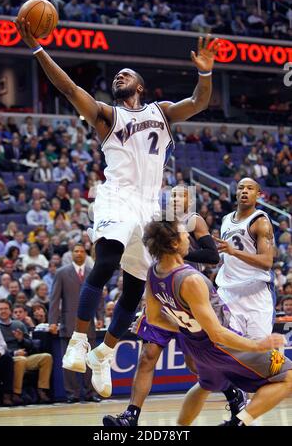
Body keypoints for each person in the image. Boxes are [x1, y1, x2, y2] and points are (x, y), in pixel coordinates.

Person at [16, 17, 220, 398]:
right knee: (106, 261)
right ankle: (79, 340)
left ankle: (104, 353)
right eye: (115, 77)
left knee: (134, 289)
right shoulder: (108, 115)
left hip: (148, 206)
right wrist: (37, 49)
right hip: (116, 196)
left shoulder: (160, 111)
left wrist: (205, 73)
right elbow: (68, 87)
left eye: (125, 75)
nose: (118, 78)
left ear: (140, 86)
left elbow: (199, 102)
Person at [103, 185, 245, 426]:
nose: (177, 198)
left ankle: (233, 393)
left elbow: (212, 256)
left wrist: (175, 253)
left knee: (194, 363)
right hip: (161, 293)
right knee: (147, 357)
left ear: (190, 201)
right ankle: (131, 416)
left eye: (183, 195)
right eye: (174, 195)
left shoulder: (194, 221)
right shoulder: (158, 222)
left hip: (187, 295)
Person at [142, 217, 291, 426]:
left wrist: (189, 328)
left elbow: (154, 318)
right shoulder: (190, 279)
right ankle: (239, 423)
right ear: (174, 243)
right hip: (223, 347)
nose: (189, 239)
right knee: (289, 377)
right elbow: (218, 334)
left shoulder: (154, 273)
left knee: (205, 384)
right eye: (186, 234)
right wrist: (257, 346)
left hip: (197, 348)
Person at [214, 178, 275, 340]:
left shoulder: (260, 222)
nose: (245, 191)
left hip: (255, 294)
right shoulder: (226, 220)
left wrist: (234, 252)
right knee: (227, 352)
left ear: (258, 195)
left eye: (250, 188)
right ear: (236, 193)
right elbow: (227, 256)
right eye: (241, 188)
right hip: (228, 293)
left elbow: (267, 262)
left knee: (259, 354)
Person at [48, 243, 101, 403]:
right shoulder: (61, 273)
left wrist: (100, 317)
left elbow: (99, 297)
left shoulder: (93, 272)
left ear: (86, 254)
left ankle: (90, 393)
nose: (79, 253)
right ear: (71, 254)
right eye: (76, 251)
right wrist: (53, 321)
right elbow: (55, 299)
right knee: (70, 361)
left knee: (89, 360)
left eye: (81, 251)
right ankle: (72, 394)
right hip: (68, 323)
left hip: (89, 324)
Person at [0, 299, 53, 404]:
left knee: (46, 357)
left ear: (10, 311)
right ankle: (16, 393)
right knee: (20, 360)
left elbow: (31, 345)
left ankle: (42, 390)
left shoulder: (18, 324)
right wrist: (14, 353)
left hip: (25, 356)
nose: (3, 311)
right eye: (1, 309)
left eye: (6, 308)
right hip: (8, 358)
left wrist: (21, 340)